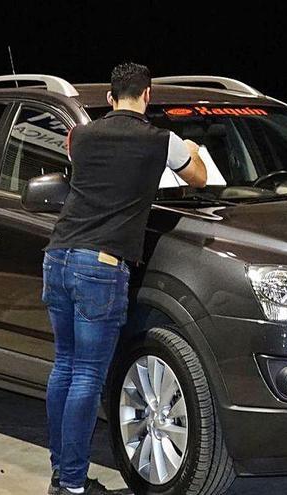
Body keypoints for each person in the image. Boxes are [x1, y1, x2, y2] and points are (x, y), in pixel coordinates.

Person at [41, 62, 207, 494]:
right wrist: (190, 147)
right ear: (148, 96)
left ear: (112, 98)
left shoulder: (82, 135)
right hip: (100, 267)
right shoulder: (160, 140)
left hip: (57, 256)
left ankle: (63, 473)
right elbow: (199, 177)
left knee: (64, 367)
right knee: (86, 378)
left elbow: (79, 159)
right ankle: (72, 485)